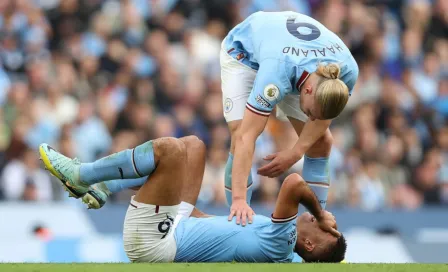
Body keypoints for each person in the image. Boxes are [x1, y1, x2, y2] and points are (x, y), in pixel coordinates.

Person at [38, 136, 345, 263]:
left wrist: (319, 214)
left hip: (156, 243)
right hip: (179, 224)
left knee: (169, 151)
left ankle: (84, 176)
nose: (326, 222)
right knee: (194, 146)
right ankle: (102, 187)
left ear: (309, 245)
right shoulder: (285, 252)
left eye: (327, 230)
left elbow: (293, 183)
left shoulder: (282, 240)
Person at [221, 11, 359, 225]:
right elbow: (245, 138)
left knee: (321, 142)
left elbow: (321, 121)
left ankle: (316, 223)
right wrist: (238, 199)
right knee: (240, 130)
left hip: (288, 56)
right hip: (244, 53)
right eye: (312, 113)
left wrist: (295, 153)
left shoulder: (347, 71)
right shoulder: (276, 74)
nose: (312, 118)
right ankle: (237, 218)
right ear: (309, 90)